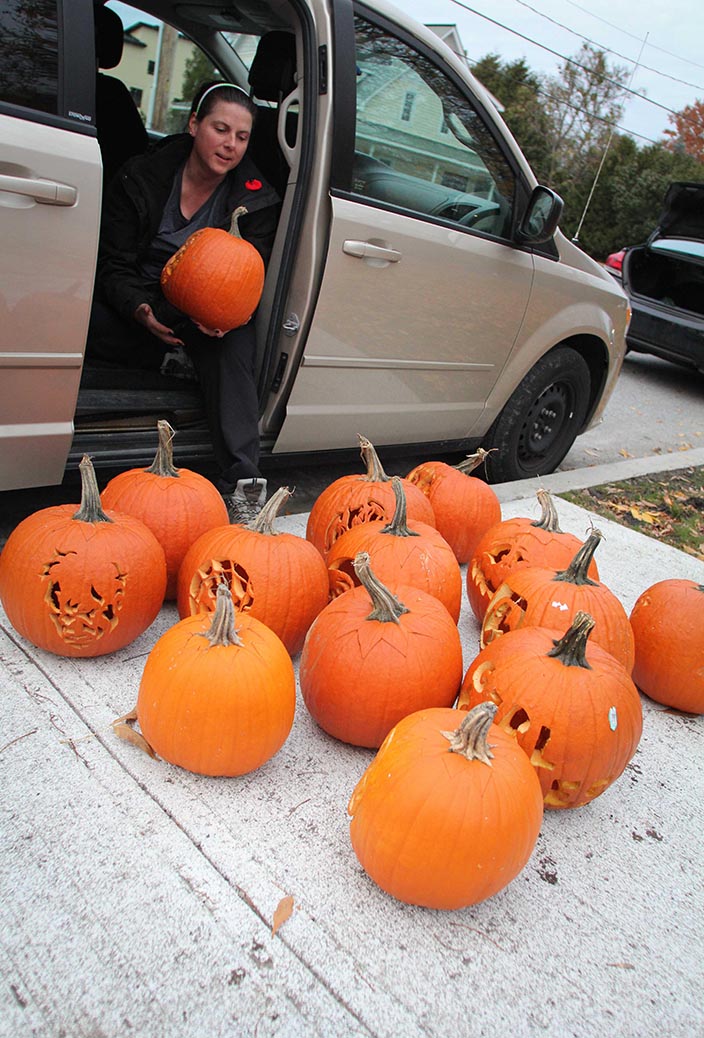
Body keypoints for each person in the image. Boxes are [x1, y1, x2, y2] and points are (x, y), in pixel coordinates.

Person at [87, 81, 280, 523]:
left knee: (233, 345)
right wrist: (141, 309)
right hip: (143, 300)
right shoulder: (141, 177)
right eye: (220, 129)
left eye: (242, 136)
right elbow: (112, 266)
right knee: (85, 318)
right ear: (195, 125)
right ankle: (169, 358)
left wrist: (226, 317)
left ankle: (244, 483)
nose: (230, 145)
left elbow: (244, 277)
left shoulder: (255, 201)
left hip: (202, 312)